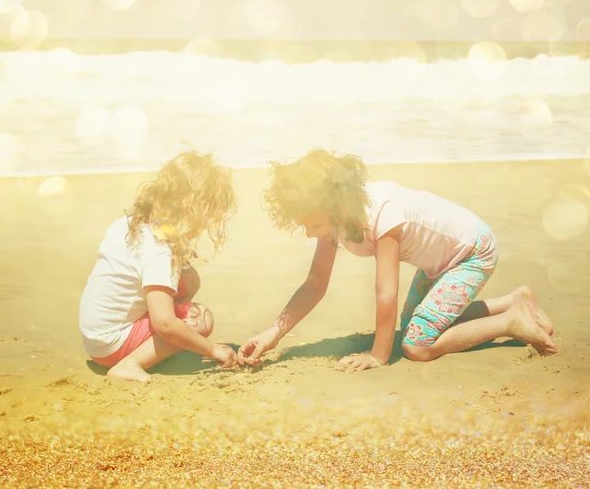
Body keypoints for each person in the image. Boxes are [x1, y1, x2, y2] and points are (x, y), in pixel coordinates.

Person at [238, 148, 556, 372]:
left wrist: (379, 355)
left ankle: (510, 322)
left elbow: (386, 292)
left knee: (416, 345)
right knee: (414, 326)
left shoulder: (382, 213)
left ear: (333, 205)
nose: (309, 233)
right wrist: (272, 334)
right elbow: (315, 284)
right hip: (441, 260)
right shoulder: (336, 219)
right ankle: (514, 300)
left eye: (313, 224)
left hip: (472, 252)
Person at [80, 151, 238, 382]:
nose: (204, 228)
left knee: (188, 277)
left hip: (96, 339)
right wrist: (211, 349)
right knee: (200, 318)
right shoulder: (159, 253)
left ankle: (157, 347)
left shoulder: (129, 224)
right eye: (205, 220)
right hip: (113, 346)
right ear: (190, 211)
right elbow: (164, 323)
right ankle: (131, 363)